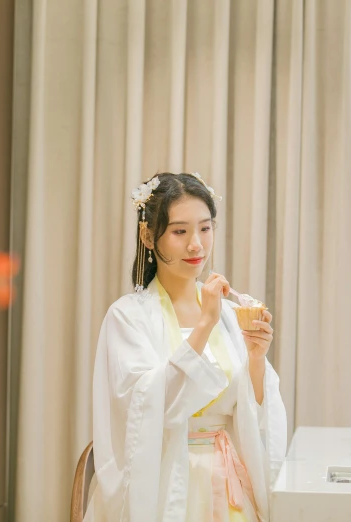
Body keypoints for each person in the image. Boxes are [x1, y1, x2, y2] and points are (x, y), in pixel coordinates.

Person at [85, 173, 287, 522]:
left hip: (227, 481)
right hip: (166, 482)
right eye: (180, 232)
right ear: (148, 236)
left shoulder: (228, 314)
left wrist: (256, 359)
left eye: (205, 229)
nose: (197, 245)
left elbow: (253, 411)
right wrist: (204, 325)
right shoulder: (128, 317)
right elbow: (144, 408)